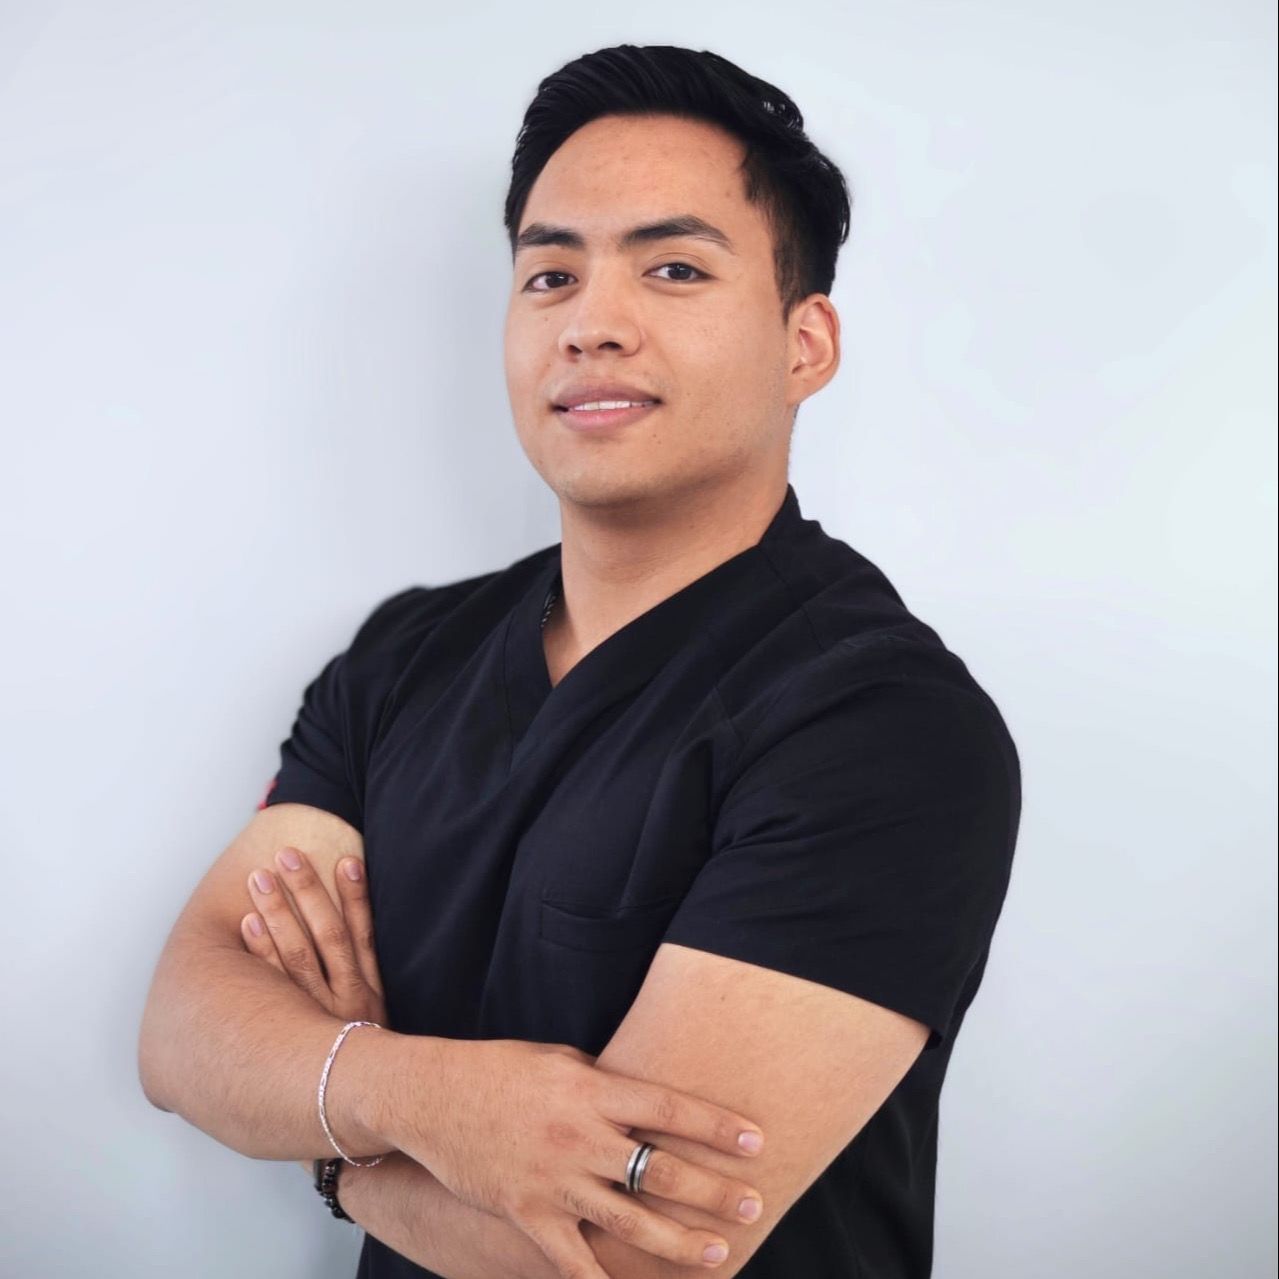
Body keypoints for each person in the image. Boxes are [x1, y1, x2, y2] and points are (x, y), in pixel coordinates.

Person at [138, 43, 1022, 1279]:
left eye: (673, 268)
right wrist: (423, 1097)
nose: (591, 324)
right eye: (550, 274)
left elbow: (625, 1252)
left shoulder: (881, 726)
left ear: (805, 343)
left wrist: (328, 1133)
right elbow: (185, 1029)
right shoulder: (403, 655)